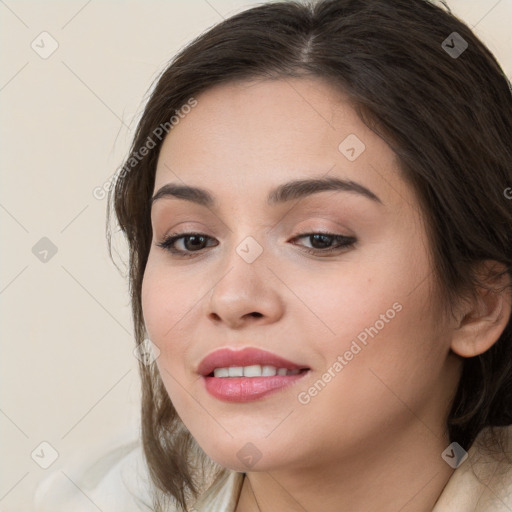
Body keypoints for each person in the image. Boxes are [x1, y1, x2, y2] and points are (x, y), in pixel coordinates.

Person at [34, 0, 512, 510]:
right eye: (191, 240)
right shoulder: (92, 497)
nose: (233, 296)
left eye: (320, 238)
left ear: (477, 303)